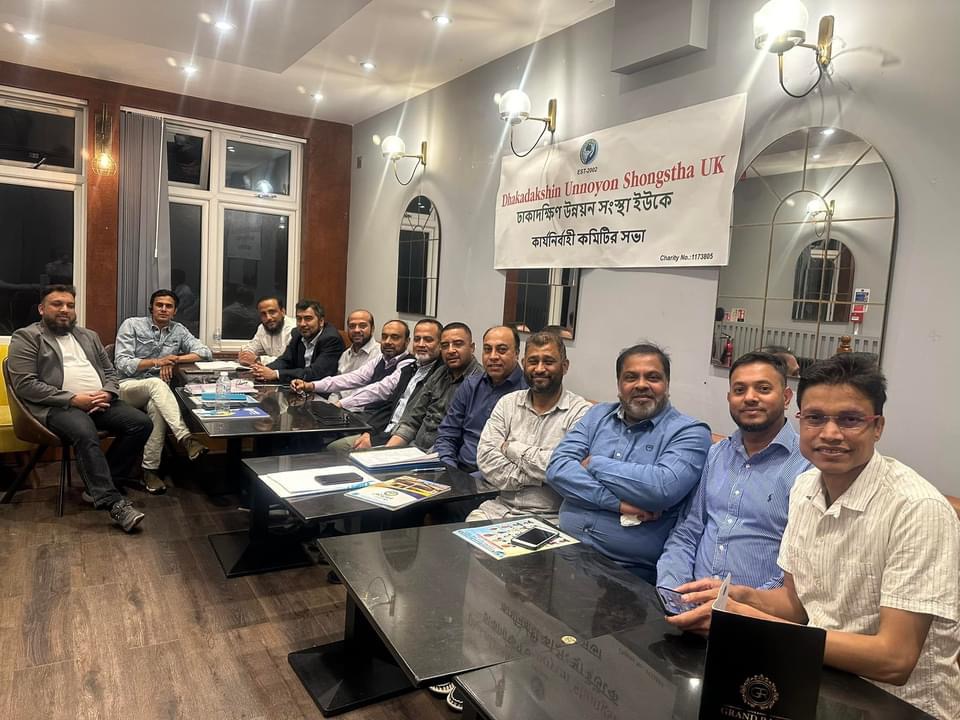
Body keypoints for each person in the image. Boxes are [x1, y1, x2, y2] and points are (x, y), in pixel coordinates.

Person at [668, 354, 959, 720]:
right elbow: (796, 603)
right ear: (800, 419)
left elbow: (894, 659)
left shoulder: (917, 509)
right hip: (816, 681)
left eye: (850, 419)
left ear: (878, 426)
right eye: (816, 418)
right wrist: (739, 596)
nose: (830, 434)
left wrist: (749, 623)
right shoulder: (805, 486)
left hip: (897, 705)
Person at [545, 343, 712, 582]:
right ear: (619, 385)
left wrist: (594, 464)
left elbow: (660, 488)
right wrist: (619, 504)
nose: (641, 384)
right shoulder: (598, 415)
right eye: (631, 377)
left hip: (628, 572)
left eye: (652, 377)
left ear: (667, 384)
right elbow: (557, 469)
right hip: (563, 547)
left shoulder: (690, 432)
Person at [656, 351, 811, 592]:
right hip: (690, 600)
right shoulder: (717, 455)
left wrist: (732, 605)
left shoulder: (807, 465)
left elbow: (800, 566)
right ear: (729, 398)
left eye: (763, 389)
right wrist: (672, 590)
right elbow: (688, 531)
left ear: (786, 397)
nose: (750, 398)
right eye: (740, 390)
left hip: (757, 609)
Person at [7, 285, 152, 531]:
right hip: (57, 406)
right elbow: (26, 385)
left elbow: (110, 372)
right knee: (85, 432)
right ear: (42, 309)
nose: (65, 309)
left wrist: (107, 392)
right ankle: (113, 503)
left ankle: (103, 483)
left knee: (141, 423)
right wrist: (73, 399)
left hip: (99, 401)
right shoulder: (27, 337)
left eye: (70, 305)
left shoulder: (89, 336)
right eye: (57, 304)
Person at [470, 331, 592, 520]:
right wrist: (539, 477)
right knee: (458, 535)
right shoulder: (507, 403)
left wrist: (511, 448)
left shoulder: (581, 412)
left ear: (565, 366)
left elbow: (568, 469)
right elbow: (486, 458)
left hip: (552, 518)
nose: (540, 369)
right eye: (533, 361)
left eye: (548, 362)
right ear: (524, 363)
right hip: (498, 509)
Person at [114, 288, 212, 494]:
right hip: (126, 387)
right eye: (159, 305)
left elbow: (205, 352)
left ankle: (149, 471)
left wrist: (174, 360)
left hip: (156, 394)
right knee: (157, 383)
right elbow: (122, 363)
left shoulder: (179, 330)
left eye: (169, 306)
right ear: (151, 307)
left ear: (175, 311)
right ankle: (186, 438)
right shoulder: (131, 324)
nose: (164, 309)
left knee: (157, 409)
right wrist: (157, 362)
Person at [330, 319, 444, 451]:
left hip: (404, 440)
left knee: (337, 449)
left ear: (440, 344)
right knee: (334, 447)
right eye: (417, 339)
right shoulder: (410, 369)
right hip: (384, 431)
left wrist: (382, 447)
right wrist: (370, 432)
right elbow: (389, 405)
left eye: (428, 340)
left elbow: (416, 422)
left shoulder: (439, 376)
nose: (421, 344)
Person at [435, 326, 526, 474]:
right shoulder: (470, 385)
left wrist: (469, 481)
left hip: (498, 479)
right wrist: (450, 470)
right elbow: (447, 435)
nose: (493, 356)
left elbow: (520, 458)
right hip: (457, 470)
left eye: (502, 350)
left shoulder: (528, 392)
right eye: (488, 350)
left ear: (516, 353)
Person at [385, 322, 482, 451]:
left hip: (440, 455)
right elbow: (411, 421)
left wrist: (424, 458)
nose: (451, 350)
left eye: (458, 344)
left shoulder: (480, 382)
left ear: (472, 347)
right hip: (413, 450)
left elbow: (459, 438)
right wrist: (387, 452)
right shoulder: (439, 373)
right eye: (445, 346)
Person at [290, 320, 413, 412]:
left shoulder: (408, 364)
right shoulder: (381, 359)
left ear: (407, 341)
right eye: (384, 337)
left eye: (395, 337)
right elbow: (353, 378)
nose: (387, 342)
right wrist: (311, 385)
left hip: (381, 421)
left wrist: (341, 404)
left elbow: (379, 390)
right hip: (365, 414)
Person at [249, 300, 344, 382]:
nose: (302, 324)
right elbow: (285, 360)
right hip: (299, 387)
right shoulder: (297, 334)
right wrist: (263, 370)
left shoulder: (331, 339)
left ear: (321, 321)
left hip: (322, 391)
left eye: (308, 319)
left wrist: (276, 374)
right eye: (299, 319)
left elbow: (316, 373)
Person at [333, 309, 381, 401]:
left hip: (360, 407)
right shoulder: (345, 355)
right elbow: (337, 388)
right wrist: (329, 405)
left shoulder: (380, 355)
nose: (356, 330)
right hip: (338, 405)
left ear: (372, 329)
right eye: (352, 326)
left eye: (362, 326)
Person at [238, 295, 296, 366]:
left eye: (272, 312)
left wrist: (258, 359)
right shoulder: (262, 328)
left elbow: (288, 361)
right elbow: (252, 347)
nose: (268, 318)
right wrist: (245, 354)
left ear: (283, 312)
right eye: (263, 314)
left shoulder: (294, 330)